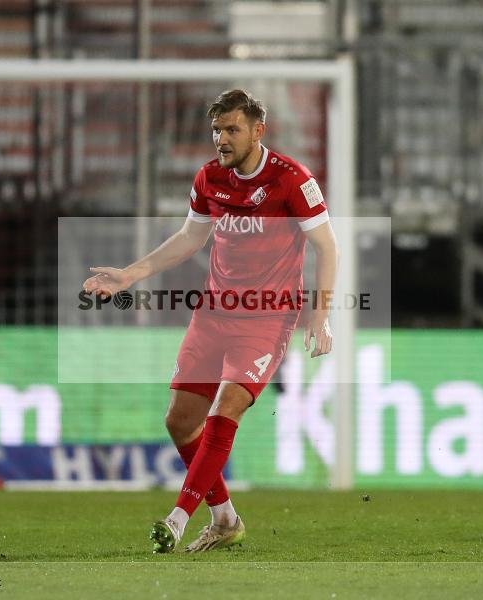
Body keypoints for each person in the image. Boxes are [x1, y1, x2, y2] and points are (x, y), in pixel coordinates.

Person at [82, 89, 338, 553]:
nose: (222, 138)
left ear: (258, 131)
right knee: (180, 422)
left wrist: (319, 318)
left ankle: (178, 518)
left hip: (266, 321)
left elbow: (327, 246)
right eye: (217, 130)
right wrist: (128, 275)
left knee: (226, 410)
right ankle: (225, 518)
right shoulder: (209, 179)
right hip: (214, 314)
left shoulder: (291, 180)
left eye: (232, 129)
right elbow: (188, 238)